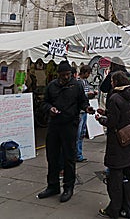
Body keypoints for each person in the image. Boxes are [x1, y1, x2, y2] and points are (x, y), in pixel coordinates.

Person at [38, 60, 95, 203]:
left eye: (68, 74)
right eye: (63, 75)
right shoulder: (52, 86)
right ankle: (53, 186)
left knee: (69, 157)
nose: (66, 77)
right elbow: (44, 103)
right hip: (54, 125)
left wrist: (87, 107)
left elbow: (83, 101)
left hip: (70, 125)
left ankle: (68, 187)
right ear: (58, 75)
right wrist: (49, 109)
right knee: (52, 156)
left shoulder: (76, 85)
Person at [97, 71, 130, 219]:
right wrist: (107, 112)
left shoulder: (114, 97)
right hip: (128, 138)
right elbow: (121, 115)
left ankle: (114, 209)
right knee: (128, 173)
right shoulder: (129, 95)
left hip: (117, 141)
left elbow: (112, 122)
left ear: (116, 82)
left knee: (115, 177)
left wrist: (100, 119)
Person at [76, 65, 98, 162]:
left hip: (84, 110)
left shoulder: (85, 82)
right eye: (88, 73)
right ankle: (77, 154)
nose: (89, 75)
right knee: (79, 133)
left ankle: (78, 153)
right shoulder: (79, 82)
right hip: (80, 111)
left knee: (81, 133)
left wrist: (91, 94)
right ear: (85, 73)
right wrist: (88, 94)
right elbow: (80, 96)